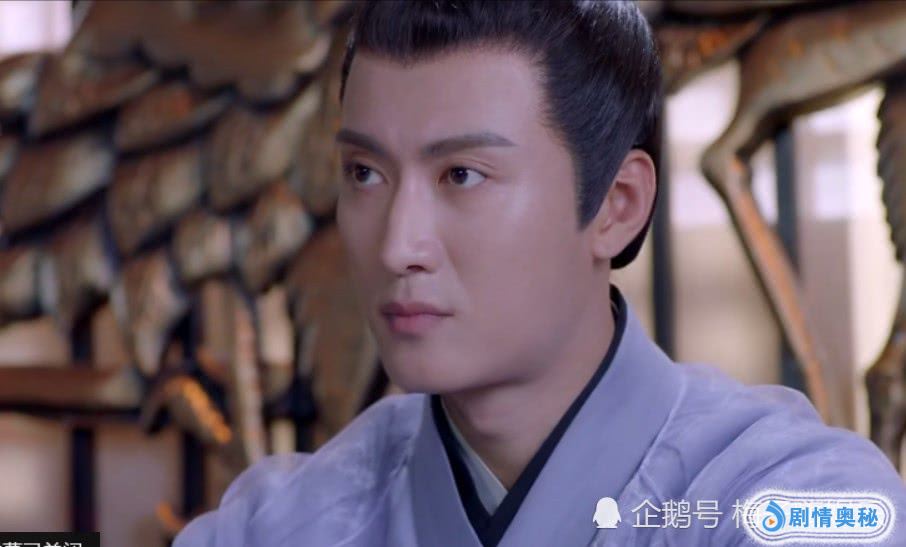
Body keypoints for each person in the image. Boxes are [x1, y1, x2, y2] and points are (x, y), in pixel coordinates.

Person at [174, 1, 906, 545]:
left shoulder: (795, 498)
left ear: (617, 204)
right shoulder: (281, 521)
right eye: (365, 173)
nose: (398, 246)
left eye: (461, 174)